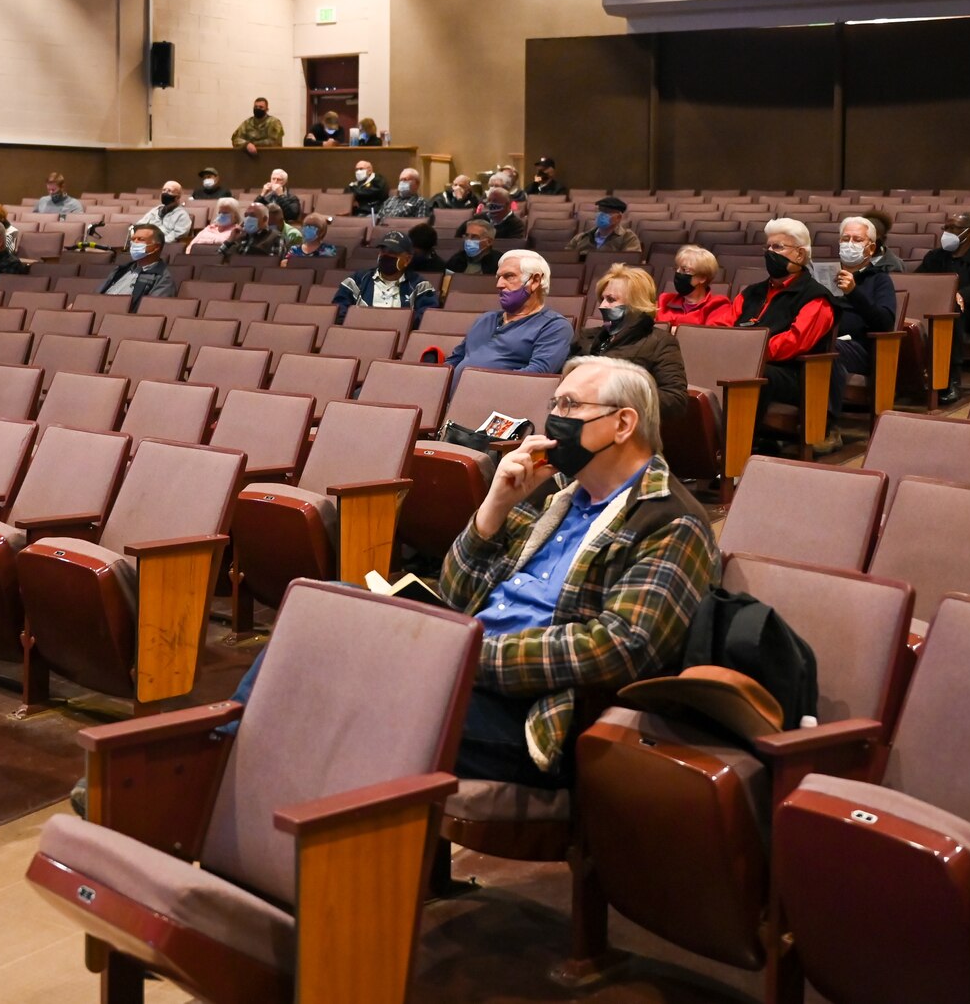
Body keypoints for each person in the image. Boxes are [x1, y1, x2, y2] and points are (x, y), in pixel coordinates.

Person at [224, 357, 717, 789]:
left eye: (569, 407)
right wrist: (495, 505)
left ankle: (229, 793)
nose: (552, 420)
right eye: (555, 404)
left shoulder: (671, 519)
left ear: (623, 423)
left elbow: (619, 648)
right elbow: (458, 593)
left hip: (532, 715)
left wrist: (460, 655)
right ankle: (224, 763)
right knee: (323, 607)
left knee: (341, 691)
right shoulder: (555, 494)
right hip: (462, 663)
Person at [733, 220, 838, 445]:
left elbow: (795, 342)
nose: (770, 253)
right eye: (768, 248)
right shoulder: (751, 292)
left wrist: (749, 353)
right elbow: (724, 327)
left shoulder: (816, 297)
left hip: (794, 374)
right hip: (746, 361)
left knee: (756, 374)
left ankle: (737, 448)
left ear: (800, 255)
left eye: (778, 247)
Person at [569, 265, 688, 423]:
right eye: (602, 299)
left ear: (635, 304)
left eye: (611, 299)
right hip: (578, 422)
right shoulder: (587, 337)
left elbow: (675, 401)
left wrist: (620, 393)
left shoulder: (660, 342)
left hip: (626, 427)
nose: (602, 306)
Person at [915, 212, 970, 405]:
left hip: (969, 316)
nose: (946, 232)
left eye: (952, 228)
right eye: (945, 228)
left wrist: (962, 294)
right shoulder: (935, 257)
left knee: (951, 310)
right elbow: (918, 280)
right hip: (932, 312)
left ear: (969, 233)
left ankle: (951, 381)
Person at [445, 249, 574, 375]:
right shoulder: (485, 319)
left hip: (498, 395)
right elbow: (454, 361)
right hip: (456, 395)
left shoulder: (554, 326)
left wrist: (474, 383)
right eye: (499, 277)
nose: (499, 284)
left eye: (509, 276)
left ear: (535, 281)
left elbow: (537, 375)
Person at [830, 215, 898, 407]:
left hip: (858, 347)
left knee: (825, 348)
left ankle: (827, 423)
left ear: (871, 248)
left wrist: (853, 292)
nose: (849, 244)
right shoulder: (825, 274)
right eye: (845, 239)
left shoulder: (879, 280)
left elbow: (885, 323)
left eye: (857, 240)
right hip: (824, 337)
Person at [333, 230, 440, 322]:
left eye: (393, 252)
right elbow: (338, 309)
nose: (386, 256)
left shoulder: (421, 287)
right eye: (383, 251)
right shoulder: (357, 281)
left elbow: (427, 317)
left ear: (407, 259)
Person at [98, 225, 179, 309]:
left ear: (156, 247)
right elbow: (96, 296)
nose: (134, 243)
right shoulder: (120, 270)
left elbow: (150, 311)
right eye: (133, 239)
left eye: (141, 239)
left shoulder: (163, 279)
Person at [657, 245, 737, 326]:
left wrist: (675, 329)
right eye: (677, 269)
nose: (678, 273)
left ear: (702, 278)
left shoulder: (717, 305)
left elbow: (709, 335)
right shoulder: (665, 300)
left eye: (685, 270)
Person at [567, 196, 642, 259]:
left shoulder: (628, 238)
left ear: (618, 217)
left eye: (607, 211)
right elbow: (567, 261)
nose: (601, 214)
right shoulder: (581, 238)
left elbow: (631, 264)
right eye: (600, 210)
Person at [221, 203, 285, 260]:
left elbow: (274, 263)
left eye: (252, 215)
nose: (247, 219)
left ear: (264, 219)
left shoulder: (275, 237)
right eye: (246, 215)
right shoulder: (239, 236)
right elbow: (217, 258)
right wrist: (230, 240)